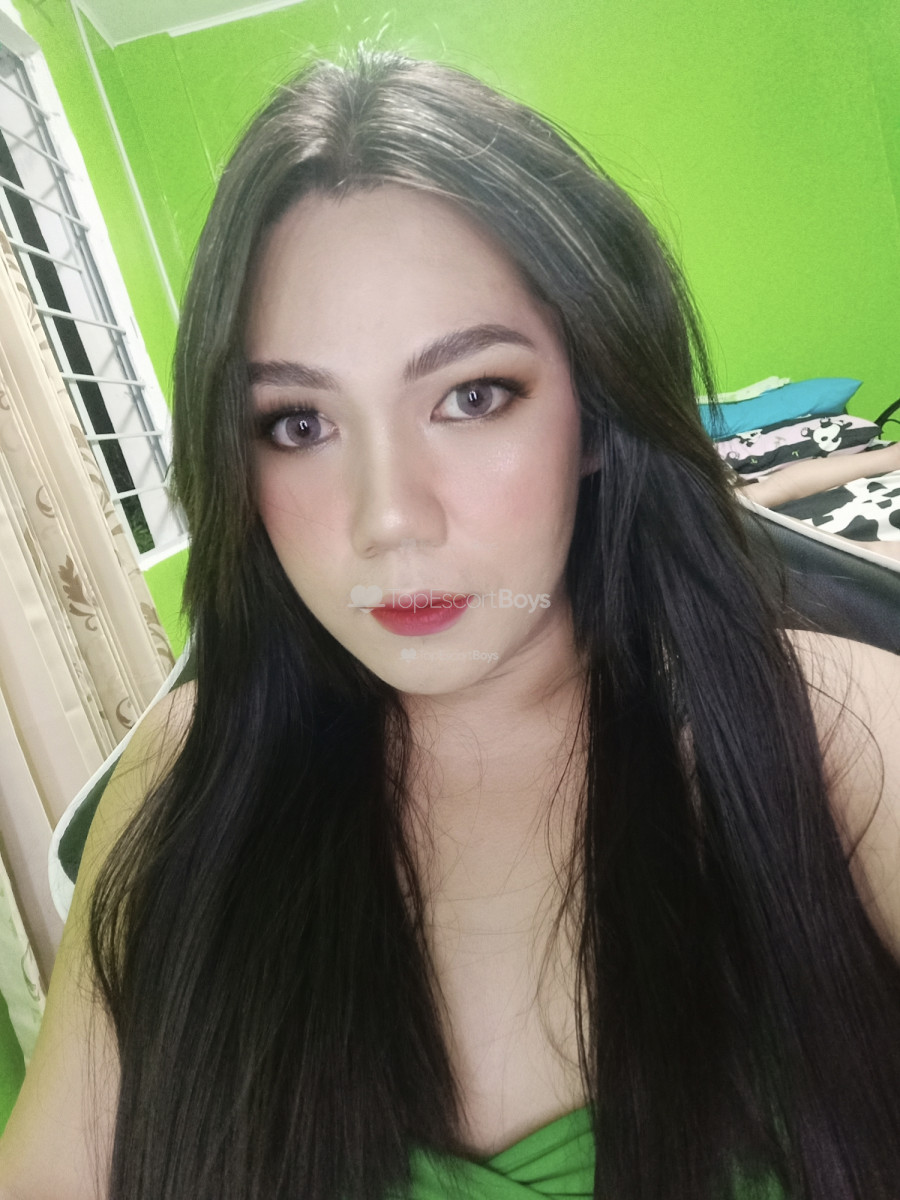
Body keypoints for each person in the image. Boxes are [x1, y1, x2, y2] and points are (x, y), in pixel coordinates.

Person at [1, 47, 899, 1200]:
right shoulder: (184, 780)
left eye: (473, 396)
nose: (388, 521)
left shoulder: (832, 737)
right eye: (298, 423)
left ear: (596, 413)